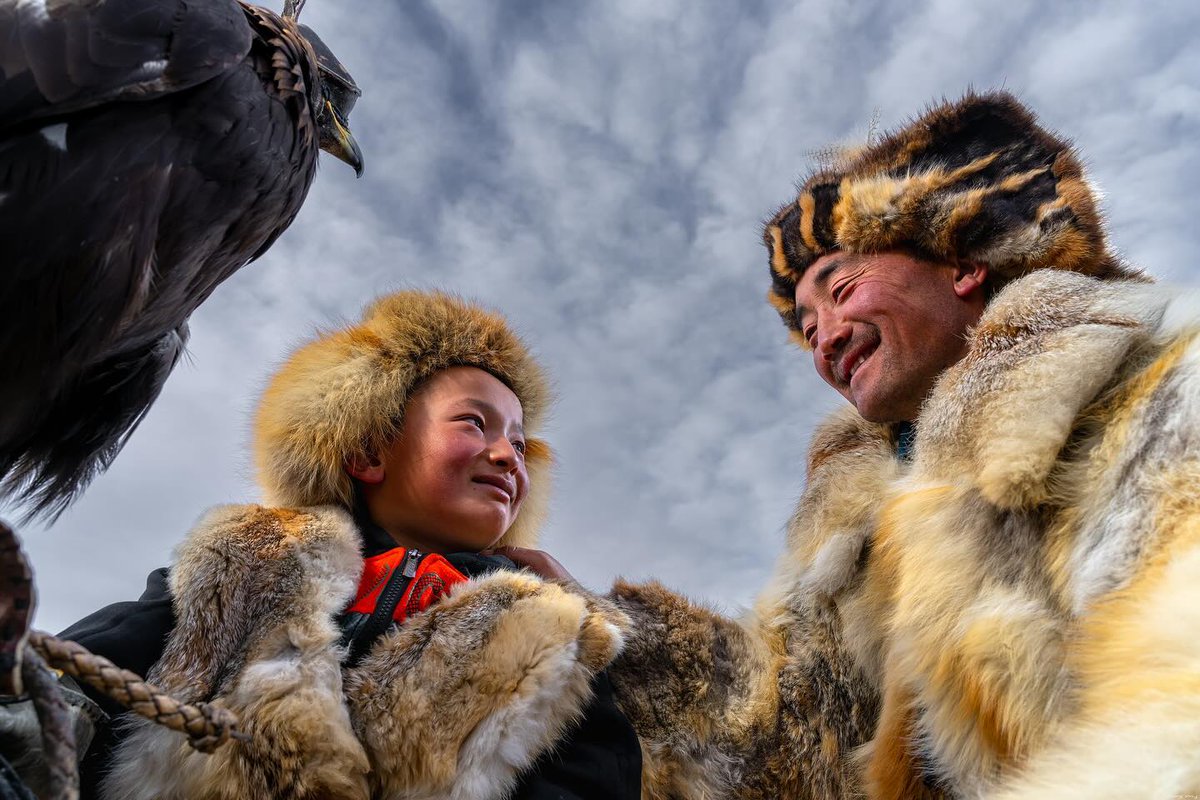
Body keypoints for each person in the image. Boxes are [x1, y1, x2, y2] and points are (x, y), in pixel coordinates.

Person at [575, 91, 1200, 799]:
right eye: (808, 330)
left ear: (962, 260)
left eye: (841, 288)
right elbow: (779, 731)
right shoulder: (854, 519)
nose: (826, 338)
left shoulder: (1148, 376)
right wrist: (577, 633)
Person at [61, 290, 641, 799]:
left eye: (520, 444)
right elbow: (95, 666)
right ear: (368, 453)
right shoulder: (250, 560)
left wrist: (577, 608)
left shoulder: (547, 620)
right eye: (473, 423)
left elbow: (593, 772)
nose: (508, 456)